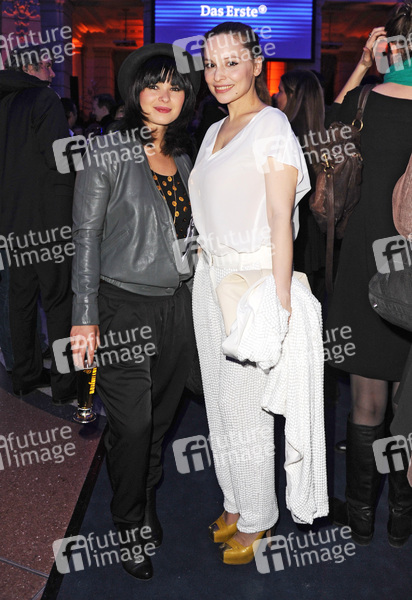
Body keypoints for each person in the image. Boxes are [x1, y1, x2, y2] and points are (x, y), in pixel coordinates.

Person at [189, 22, 327, 565]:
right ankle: (234, 500)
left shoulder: (271, 125)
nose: (219, 74)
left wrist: (280, 301)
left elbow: (279, 220)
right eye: (210, 63)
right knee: (220, 405)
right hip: (209, 280)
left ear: (255, 64)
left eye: (231, 61)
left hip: (251, 284)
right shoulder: (212, 131)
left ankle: (258, 517)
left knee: (248, 410)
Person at [70, 43, 200, 580]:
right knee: (135, 423)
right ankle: (128, 522)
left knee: (159, 421)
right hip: (120, 306)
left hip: (177, 308)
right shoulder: (106, 152)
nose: (164, 96)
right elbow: (85, 237)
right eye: (153, 85)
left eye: (174, 86)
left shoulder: (186, 159)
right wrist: (84, 316)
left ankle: (144, 495)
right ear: (135, 93)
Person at [327, 0, 412, 548]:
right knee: (409, 400)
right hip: (411, 264)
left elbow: (327, 135)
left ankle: (360, 516)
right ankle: (402, 517)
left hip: (364, 258)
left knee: (366, 399)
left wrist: (360, 66)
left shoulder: (363, 101)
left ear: (389, 48)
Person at [0, 47, 77, 403]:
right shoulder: (45, 100)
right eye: (46, 65)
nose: (51, 71)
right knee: (59, 301)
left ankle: (24, 375)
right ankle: (65, 384)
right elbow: (59, 159)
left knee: (21, 299)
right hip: (48, 219)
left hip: (11, 220)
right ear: (29, 67)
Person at [274, 69, 326, 302]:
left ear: (294, 96)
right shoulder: (324, 133)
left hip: (294, 234)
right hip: (319, 234)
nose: (277, 96)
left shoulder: (285, 135)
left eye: (281, 91)